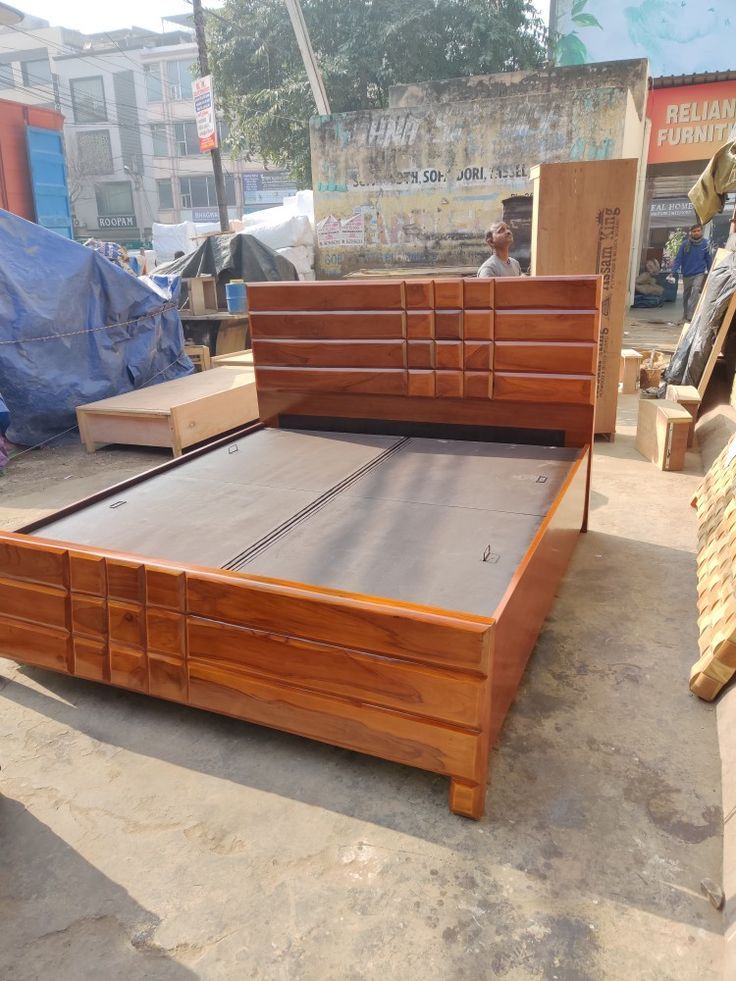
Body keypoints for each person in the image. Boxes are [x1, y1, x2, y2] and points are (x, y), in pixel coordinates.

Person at [669, 223, 712, 321]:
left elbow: (708, 259)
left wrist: (711, 272)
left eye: (698, 231)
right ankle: (685, 314)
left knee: (695, 291)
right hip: (687, 273)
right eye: (694, 231)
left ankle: (691, 316)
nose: (696, 233)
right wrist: (673, 271)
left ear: (701, 232)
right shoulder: (685, 244)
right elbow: (679, 259)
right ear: (691, 233)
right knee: (686, 295)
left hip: (699, 273)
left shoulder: (706, 244)